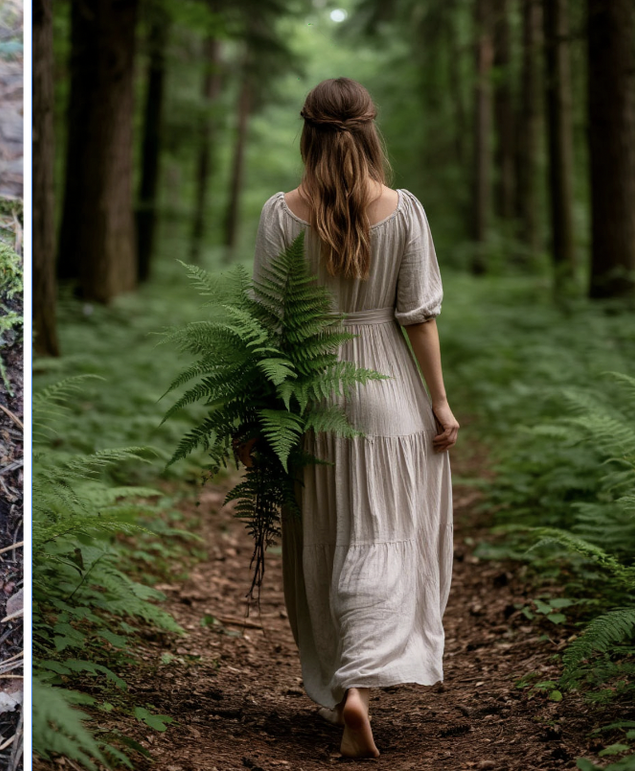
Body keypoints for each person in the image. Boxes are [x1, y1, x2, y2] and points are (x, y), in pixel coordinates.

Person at [248, 77, 458, 759]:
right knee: (389, 539)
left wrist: (257, 417)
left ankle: (348, 685)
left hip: (313, 402)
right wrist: (439, 401)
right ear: (370, 134)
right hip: (390, 393)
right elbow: (419, 318)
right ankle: (363, 683)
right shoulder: (402, 211)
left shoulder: (282, 214)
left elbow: (265, 329)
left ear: (307, 135)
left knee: (331, 541)